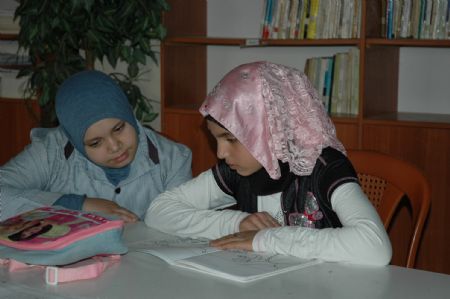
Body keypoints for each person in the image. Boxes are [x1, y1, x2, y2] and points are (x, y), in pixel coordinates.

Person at [145, 61, 392, 265]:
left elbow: (375, 247)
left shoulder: (324, 168)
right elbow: (158, 212)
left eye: (230, 139)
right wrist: (236, 223)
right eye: (216, 140)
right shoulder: (237, 170)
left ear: (269, 131)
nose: (220, 153)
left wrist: (264, 239)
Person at [0, 70, 192, 223]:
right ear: (75, 141)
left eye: (118, 128)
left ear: (128, 114)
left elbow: (184, 224)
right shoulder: (52, 153)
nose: (115, 146)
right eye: (95, 143)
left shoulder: (173, 159)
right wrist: (78, 205)